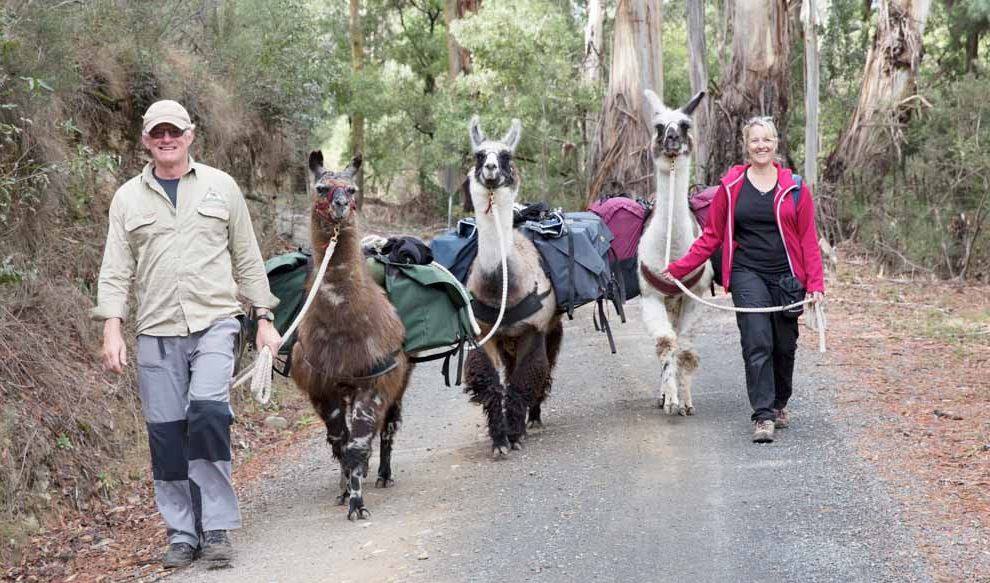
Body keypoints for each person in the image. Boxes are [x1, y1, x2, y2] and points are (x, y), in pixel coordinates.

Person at [92, 100, 281, 568]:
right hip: (156, 332)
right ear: (145, 140)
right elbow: (115, 270)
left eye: (173, 131)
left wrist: (264, 318)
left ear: (190, 135)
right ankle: (182, 533)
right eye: (157, 132)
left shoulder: (222, 187)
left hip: (216, 323)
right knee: (166, 435)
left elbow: (247, 256)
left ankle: (215, 527)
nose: (166, 139)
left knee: (208, 414)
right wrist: (112, 328)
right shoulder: (127, 199)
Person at [659, 116, 825, 444]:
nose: (761, 146)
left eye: (767, 140)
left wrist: (816, 284)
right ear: (746, 146)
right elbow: (711, 236)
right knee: (756, 339)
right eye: (754, 140)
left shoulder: (795, 187)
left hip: (788, 276)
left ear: (776, 144)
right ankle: (763, 415)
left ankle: (779, 403)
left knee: (783, 345)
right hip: (748, 273)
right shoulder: (731, 188)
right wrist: (679, 268)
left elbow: (808, 239)